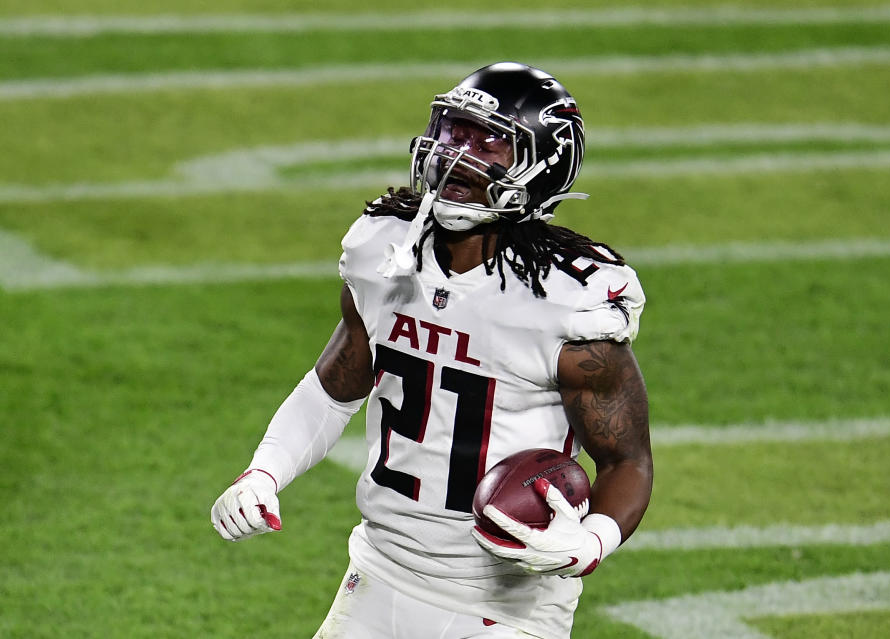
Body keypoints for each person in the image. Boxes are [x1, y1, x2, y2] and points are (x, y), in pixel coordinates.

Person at [211, 61, 653, 639]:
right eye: (453, 132)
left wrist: (590, 540)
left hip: (505, 605)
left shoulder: (566, 303)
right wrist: (263, 473)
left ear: (541, 167)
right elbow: (333, 389)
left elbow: (627, 461)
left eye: (489, 142)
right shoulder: (385, 251)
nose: (457, 156)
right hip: (379, 571)